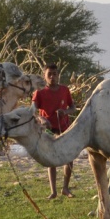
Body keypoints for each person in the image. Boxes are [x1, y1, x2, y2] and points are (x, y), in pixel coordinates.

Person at [31, 64, 76, 198]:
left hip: (64, 128)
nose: (52, 77)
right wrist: (41, 119)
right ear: (44, 76)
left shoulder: (64, 90)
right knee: (51, 160)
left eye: (55, 74)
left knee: (69, 158)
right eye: (49, 74)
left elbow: (73, 107)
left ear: (58, 75)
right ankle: (53, 191)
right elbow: (32, 111)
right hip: (48, 130)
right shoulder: (39, 92)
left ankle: (66, 188)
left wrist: (65, 111)